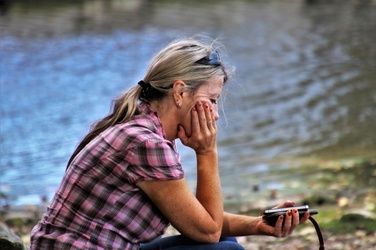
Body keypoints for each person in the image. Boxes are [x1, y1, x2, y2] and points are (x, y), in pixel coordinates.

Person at [30, 37, 309, 250]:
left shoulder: (145, 129)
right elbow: (207, 230)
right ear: (179, 92)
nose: (214, 113)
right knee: (223, 248)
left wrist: (259, 225)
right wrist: (206, 152)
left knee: (227, 241)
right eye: (211, 100)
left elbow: (199, 219)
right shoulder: (145, 143)